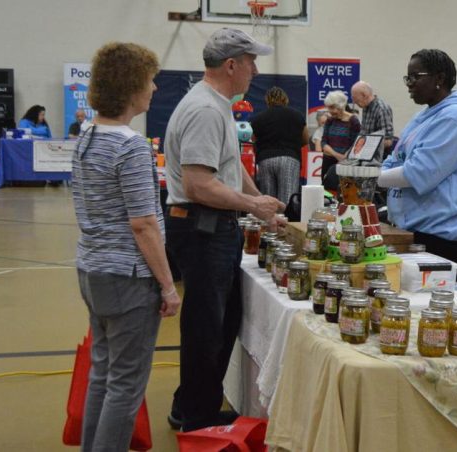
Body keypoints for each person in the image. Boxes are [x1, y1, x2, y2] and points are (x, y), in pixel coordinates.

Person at [163, 28, 285, 432]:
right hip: (202, 230)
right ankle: (195, 418)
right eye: (251, 61)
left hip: (213, 228)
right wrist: (252, 205)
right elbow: (200, 184)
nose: (255, 69)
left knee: (220, 320)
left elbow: (230, 171)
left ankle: (194, 404)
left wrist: (263, 207)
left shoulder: (216, 106)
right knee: (206, 327)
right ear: (231, 64)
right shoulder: (205, 111)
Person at [71, 42, 180, 452]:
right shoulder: (130, 145)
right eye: (150, 81)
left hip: (92, 269)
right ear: (133, 87)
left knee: (103, 374)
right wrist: (168, 286)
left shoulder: (87, 136)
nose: (153, 88)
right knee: (127, 385)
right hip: (127, 277)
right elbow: (144, 224)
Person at [378, 49, 457, 261]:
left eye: (415, 77)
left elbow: (418, 173)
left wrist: (371, 177)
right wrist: (378, 173)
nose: (409, 83)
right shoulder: (423, 116)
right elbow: (395, 158)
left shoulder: (455, 118)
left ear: (439, 78)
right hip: (414, 230)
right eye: (407, 77)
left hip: (443, 238)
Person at [250, 86, 308, 202]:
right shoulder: (297, 115)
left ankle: (270, 220)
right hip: (289, 158)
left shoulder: (257, 118)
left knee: (268, 200)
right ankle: (286, 219)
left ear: (267, 100)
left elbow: (253, 140)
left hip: (265, 159)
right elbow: (305, 138)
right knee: (288, 199)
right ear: (285, 99)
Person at [319, 90, 360, 188]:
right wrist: (337, 155)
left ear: (341, 106)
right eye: (328, 107)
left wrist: (344, 157)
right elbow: (323, 142)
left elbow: (356, 144)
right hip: (328, 162)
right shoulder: (330, 120)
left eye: (332, 107)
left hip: (346, 164)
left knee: (344, 190)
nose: (329, 111)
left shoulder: (353, 121)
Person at [351, 80, 394, 159]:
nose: (354, 102)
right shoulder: (365, 106)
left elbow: (388, 141)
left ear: (364, 95)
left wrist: (367, 146)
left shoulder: (381, 109)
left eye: (356, 100)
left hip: (379, 158)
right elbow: (363, 133)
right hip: (365, 155)